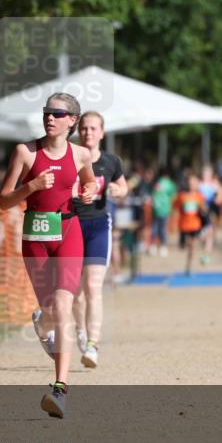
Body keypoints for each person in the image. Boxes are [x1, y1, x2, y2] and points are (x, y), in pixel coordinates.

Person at [0, 93, 98, 419]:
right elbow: (4, 200)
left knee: (64, 307)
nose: (50, 118)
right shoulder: (26, 153)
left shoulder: (81, 154)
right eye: (46, 112)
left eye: (57, 113)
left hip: (69, 234)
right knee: (50, 310)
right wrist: (33, 186)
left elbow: (88, 183)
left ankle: (60, 389)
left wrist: (88, 191)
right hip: (36, 238)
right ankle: (43, 323)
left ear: (72, 120)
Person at [71, 111, 128, 369]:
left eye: (93, 128)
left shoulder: (111, 162)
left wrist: (118, 190)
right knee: (75, 293)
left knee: (93, 287)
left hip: (97, 226)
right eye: (84, 128)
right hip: (70, 226)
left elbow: (123, 186)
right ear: (78, 131)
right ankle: (80, 331)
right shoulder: (69, 158)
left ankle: (93, 345)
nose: (88, 133)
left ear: (102, 133)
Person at [174, 174, 207, 275]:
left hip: (195, 225)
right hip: (183, 225)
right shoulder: (182, 196)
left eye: (194, 183)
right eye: (190, 183)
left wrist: (202, 209)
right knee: (183, 246)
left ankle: (189, 267)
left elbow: (204, 210)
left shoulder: (199, 196)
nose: (192, 185)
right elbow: (175, 207)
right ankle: (187, 252)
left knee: (193, 246)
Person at [198, 165, 222, 266]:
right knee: (203, 235)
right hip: (199, 214)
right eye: (204, 173)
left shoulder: (215, 185)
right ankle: (201, 239)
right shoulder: (199, 185)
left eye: (208, 173)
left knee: (210, 234)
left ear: (211, 175)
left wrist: (217, 200)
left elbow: (221, 195)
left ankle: (206, 256)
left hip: (211, 212)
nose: (206, 175)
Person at [149, 167, 177, 257]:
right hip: (165, 209)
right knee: (163, 229)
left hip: (156, 209)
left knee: (155, 228)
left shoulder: (157, 182)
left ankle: (153, 247)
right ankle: (163, 247)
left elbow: (153, 194)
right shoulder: (171, 184)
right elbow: (173, 197)